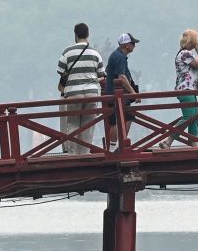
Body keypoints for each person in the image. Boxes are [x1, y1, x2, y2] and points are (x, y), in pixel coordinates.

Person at [56, 22, 106, 155]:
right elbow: (101, 73)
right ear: (88, 34)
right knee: (88, 125)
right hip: (91, 93)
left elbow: (60, 70)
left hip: (73, 93)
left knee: (72, 123)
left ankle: (73, 154)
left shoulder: (67, 51)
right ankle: (84, 153)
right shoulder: (95, 53)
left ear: (75, 35)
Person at [159, 29, 198, 149]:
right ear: (193, 40)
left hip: (190, 90)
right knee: (189, 117)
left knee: (194, 116)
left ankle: (193, 142)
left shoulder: (186, 53)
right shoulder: (185, 53)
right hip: (185, 90)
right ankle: (168, 140)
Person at [105, 33, 140, 151]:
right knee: (117, 121)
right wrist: (133, 93)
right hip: (118, 96)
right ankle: (115, 148)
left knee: (127, 117)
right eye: (133, 43)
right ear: (126, 45)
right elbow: (122, 77)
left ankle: (117, 147)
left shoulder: (115, 55)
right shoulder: (120, 57)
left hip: (114, 94)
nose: (134, 46)